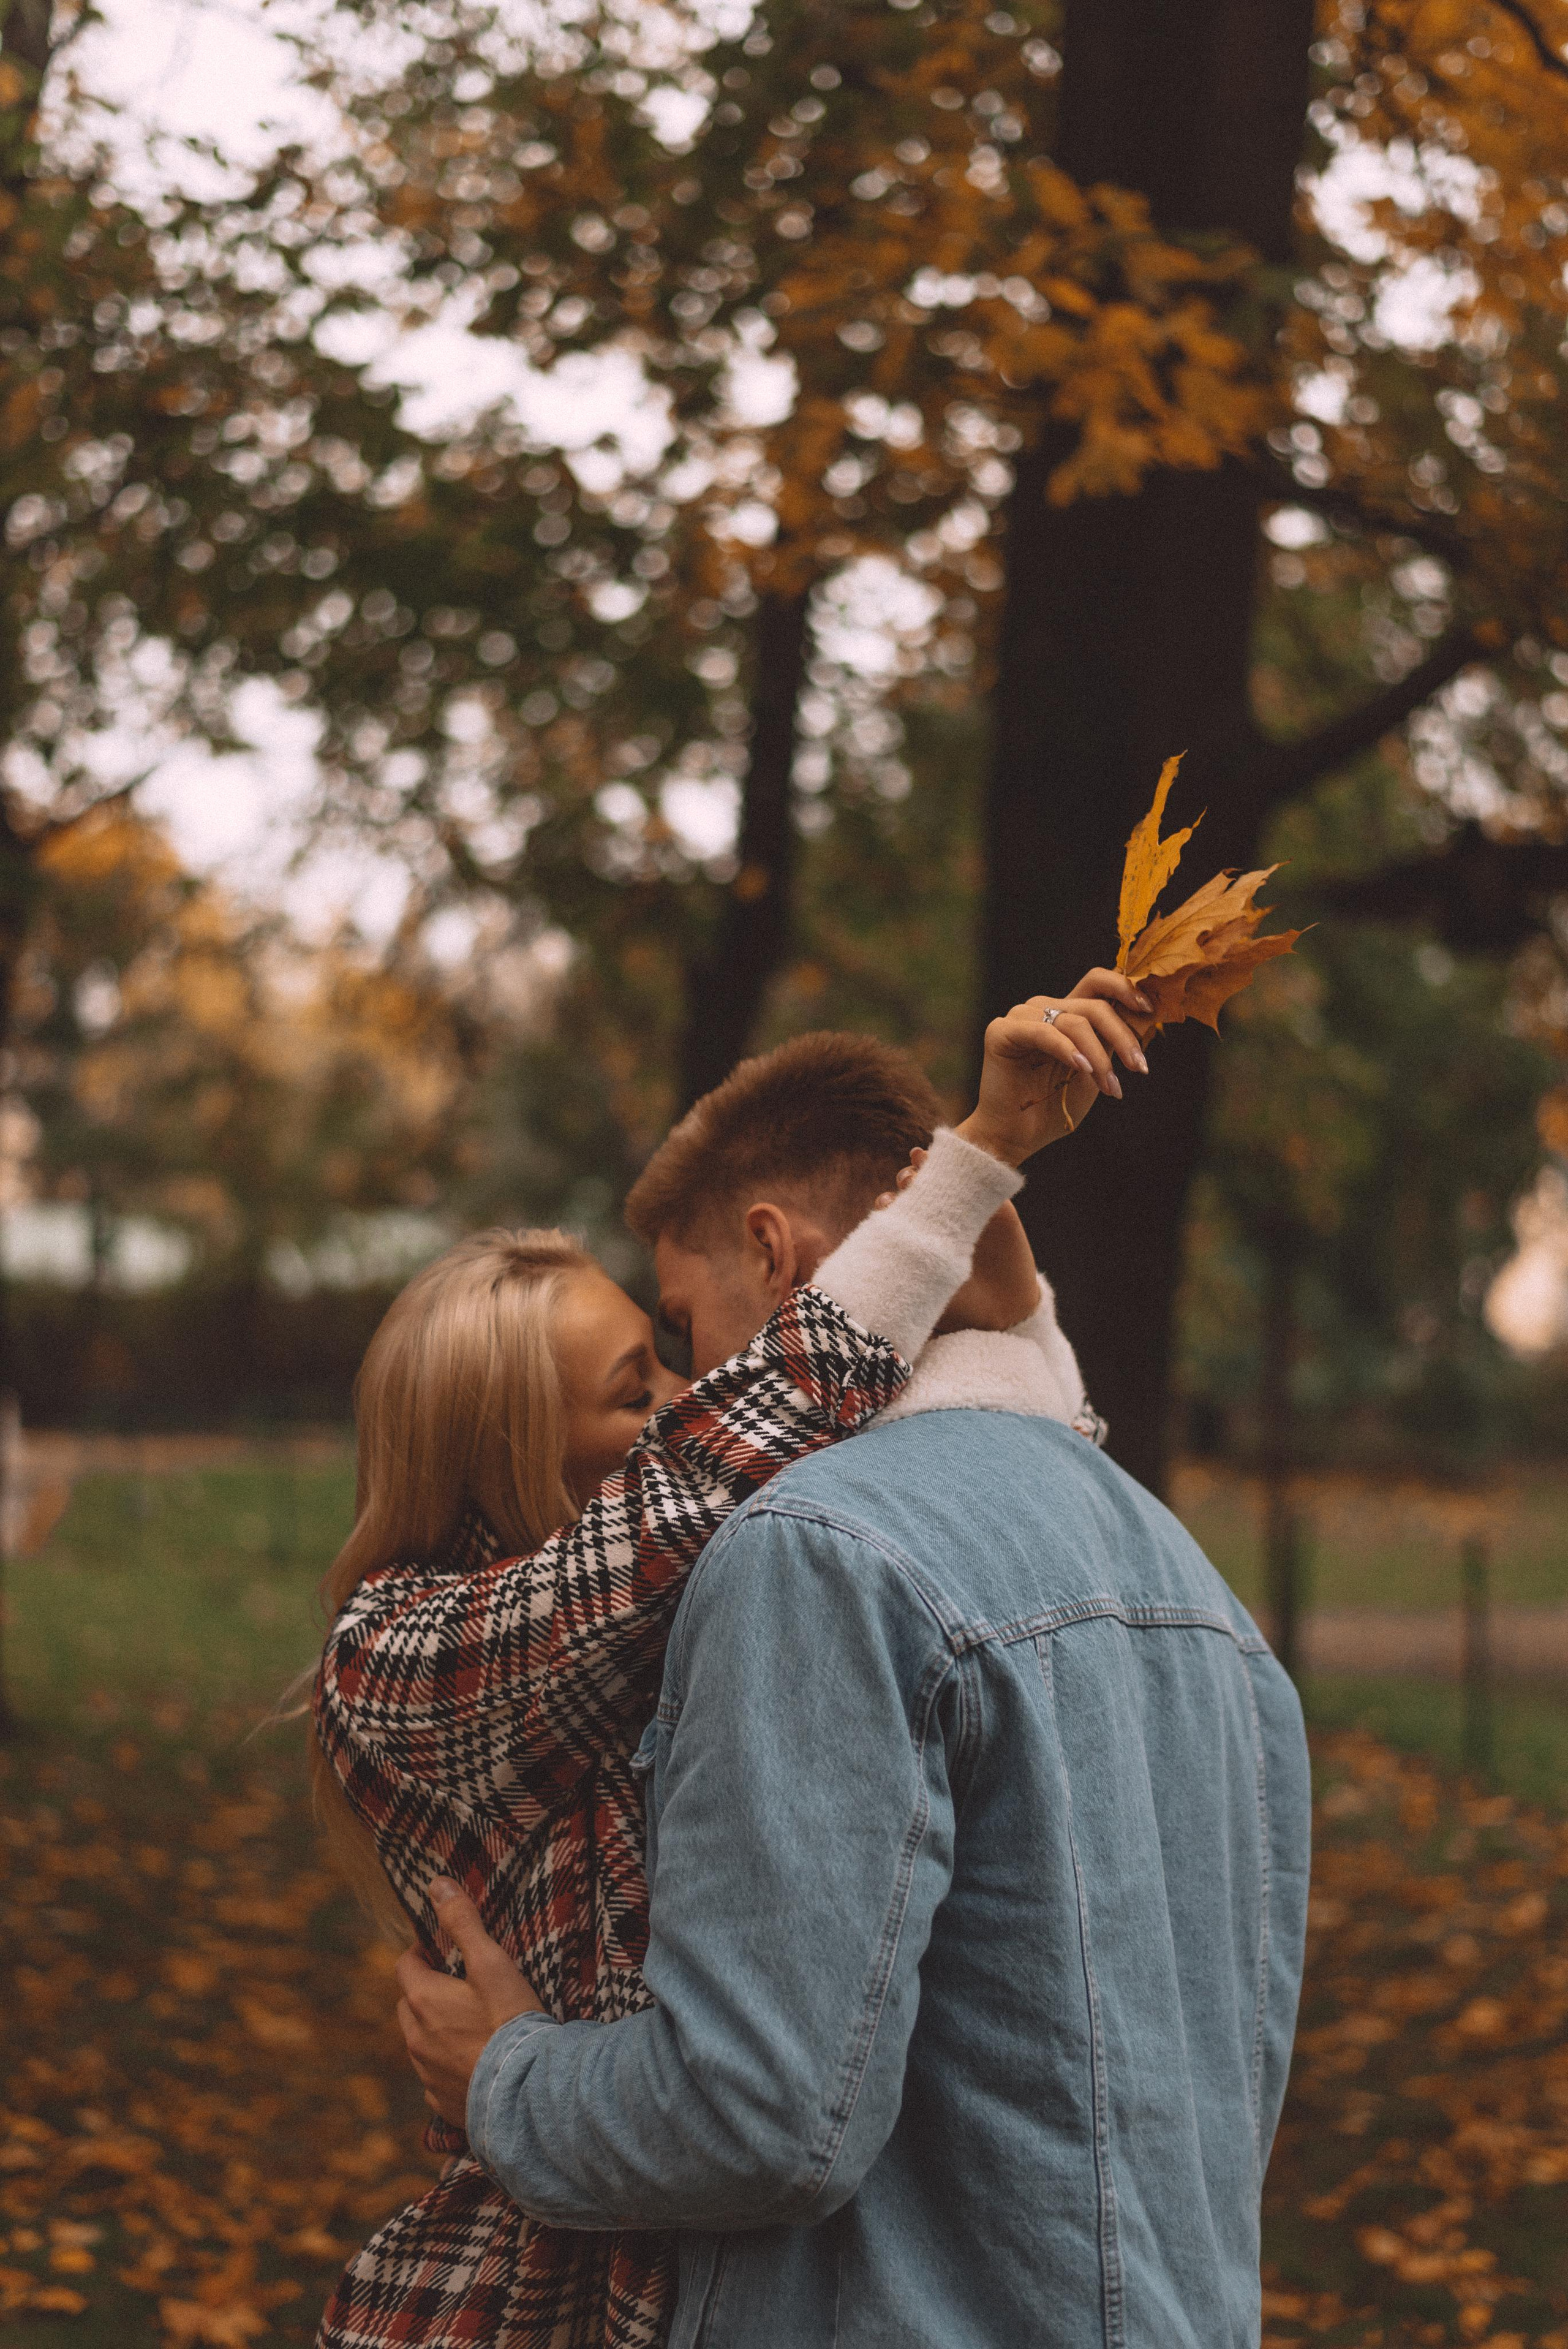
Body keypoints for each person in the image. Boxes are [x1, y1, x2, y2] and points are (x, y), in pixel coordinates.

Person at [392, 1020, 1315, 2349]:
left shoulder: (810, 1554)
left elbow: (760, 2119)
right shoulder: (1197, 1592)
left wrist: (502, 2078)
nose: (682, 1391)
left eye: (680, 1324)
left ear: (772, 1254)